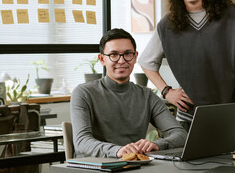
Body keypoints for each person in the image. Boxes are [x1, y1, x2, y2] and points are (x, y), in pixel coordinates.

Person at [138, 0, 235, 144]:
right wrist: (167, 92)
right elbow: (146, 62)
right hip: (189, 120)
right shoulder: (167, 25)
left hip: (230, 118)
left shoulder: (232, 15)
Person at [71, 28, 187, 158]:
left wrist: (158, 144)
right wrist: (117, 150)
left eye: (127, 54)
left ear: (135, 57)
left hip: (134, 165)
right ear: (102, 59)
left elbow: (181, 135)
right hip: (94, 167)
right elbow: (81, 142)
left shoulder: (147, 96)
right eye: (113, 55)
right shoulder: (83, 93)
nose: (121, 61)